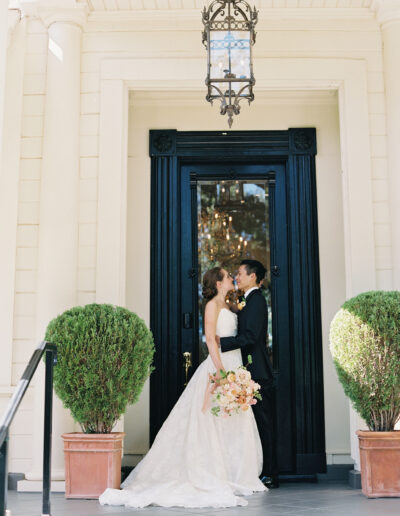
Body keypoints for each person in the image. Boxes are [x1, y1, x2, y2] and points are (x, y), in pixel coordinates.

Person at [99, 267, 266, 509]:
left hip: (235, 363)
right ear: (219, 283)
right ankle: (213, 471)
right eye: (227, 275)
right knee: (211, 420)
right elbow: (210, 339)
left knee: (232, 419)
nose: (232, 277)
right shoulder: (211, 305)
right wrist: (220, 370)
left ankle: (235, 472)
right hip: (220, 366)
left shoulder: (230, 305)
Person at [217, 259, 278, 488]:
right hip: (248, 370)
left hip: (258, 371)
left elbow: (251, 337)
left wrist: (221, 342)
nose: (237, 277)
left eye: (240, 273)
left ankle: (271, 473)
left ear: (253, 276)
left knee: (264, 423)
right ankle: (256, 469)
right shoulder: (246, 300)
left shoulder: (257, 301)